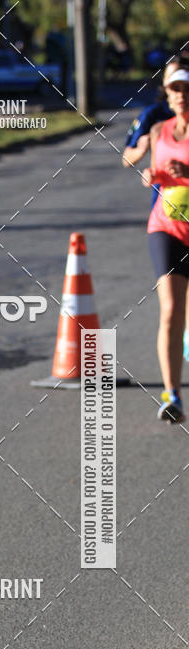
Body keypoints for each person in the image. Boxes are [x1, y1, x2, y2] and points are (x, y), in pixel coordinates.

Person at [124, 55, 189, 363]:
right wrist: (145, 150)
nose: (180, 90)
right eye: (173, 80)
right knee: (173, 301)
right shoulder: (153, 116)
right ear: (165, 85)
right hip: (165, 216)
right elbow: (127, 157)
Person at [143, 64, 189, 422]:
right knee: (171, 309)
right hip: (167, 226)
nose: (181, 94)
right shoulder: (159, 130)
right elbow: (155, 170)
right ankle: (171, 394)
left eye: (186, 88)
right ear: (168, 94)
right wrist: (150, 174)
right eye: (175, 89)